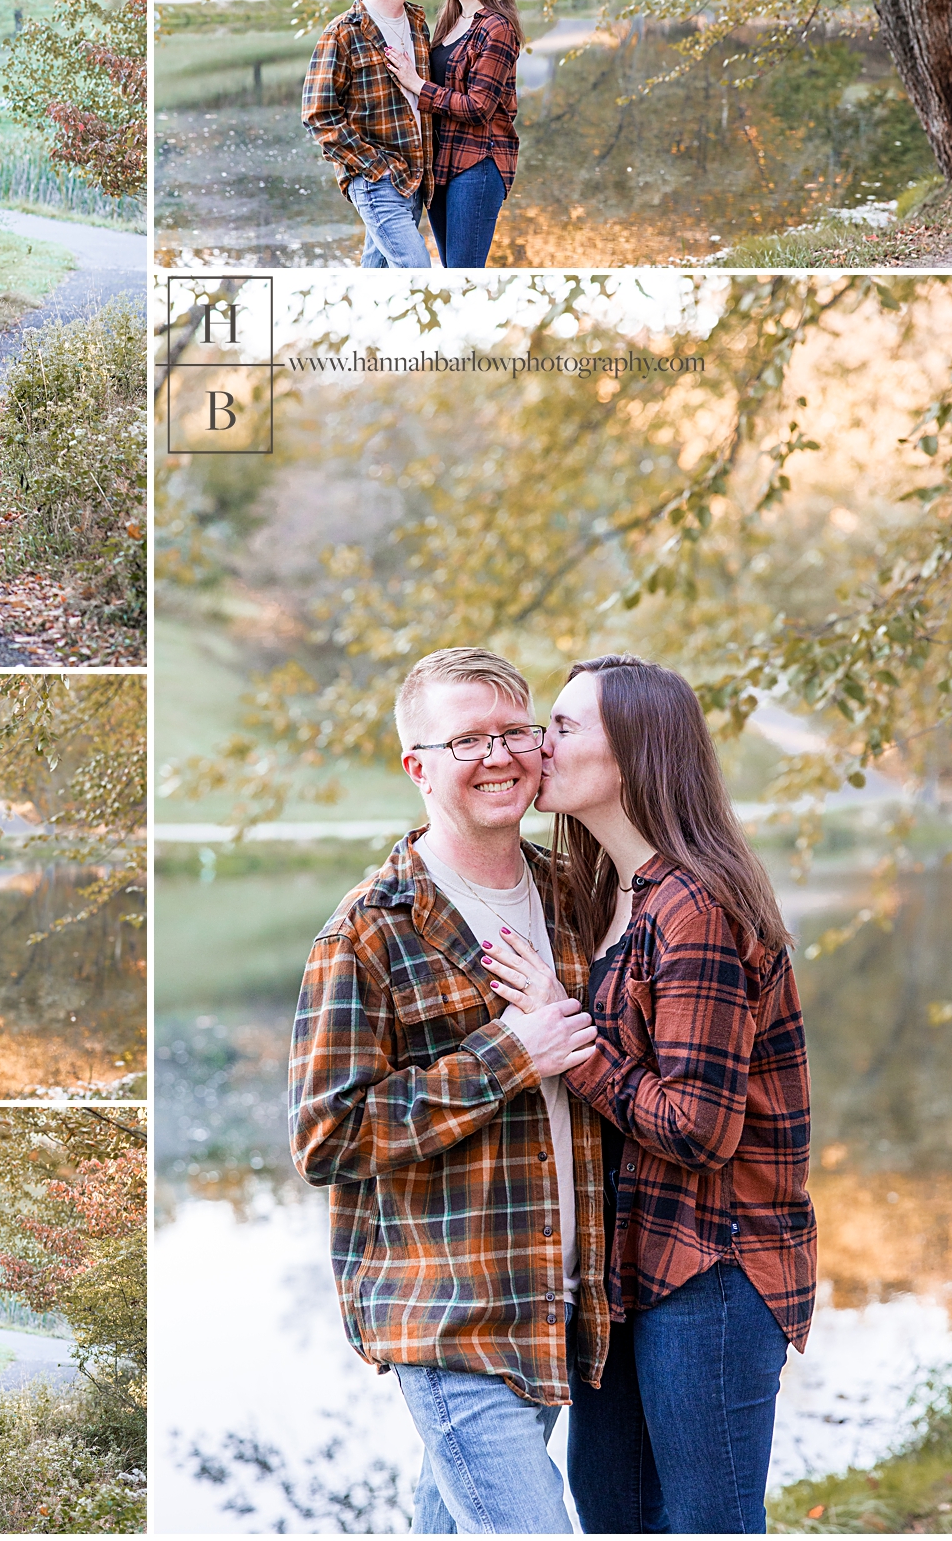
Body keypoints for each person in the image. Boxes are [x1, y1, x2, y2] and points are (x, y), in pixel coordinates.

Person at [493, 653, 817, 1533]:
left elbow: (700, 1130)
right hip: (630, 1271)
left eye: (562, 728)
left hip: (715, 1267)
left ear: (635, 754)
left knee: (706, 1522)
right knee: (612, 1511)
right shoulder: (613, 895)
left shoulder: (697, 909)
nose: (537, 744)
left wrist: (567, 1042)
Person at [289, 647, 605, 1535]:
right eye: (469, 739)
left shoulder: (574, 895)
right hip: (450, 1317)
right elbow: (327, 1138)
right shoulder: (366, 932)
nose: (500, 756)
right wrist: (509, 1053)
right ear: (417, 765)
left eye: (515, 731)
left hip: (558, 1302)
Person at [383, 0, 523, 268]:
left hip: (477, 164)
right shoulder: (449, 21)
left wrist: (417, 84)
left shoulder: (497, 28)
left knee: (463, 274)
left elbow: (479, 107)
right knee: (450, 271)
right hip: (440, 166)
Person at [302, 0, 433, 269]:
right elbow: (318, 115)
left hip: (415, 178)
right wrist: (375, 168)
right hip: (378, 182)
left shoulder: (418, 23)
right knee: (416, 269)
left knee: (376, 273)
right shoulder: (342, 33)